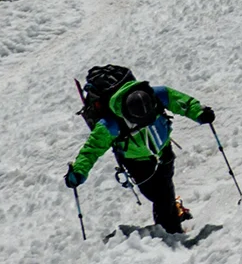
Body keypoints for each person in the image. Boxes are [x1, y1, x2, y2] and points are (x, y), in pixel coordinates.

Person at [65, 66, 216, 234]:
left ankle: (171, 230)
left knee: (163, 191)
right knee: (158, 194)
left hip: (162, 150)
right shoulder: (110, 124)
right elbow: (91, 149)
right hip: (136, 162)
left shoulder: (156, 95)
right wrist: (79, 171)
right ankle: (171, 222)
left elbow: (182, 102)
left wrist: (199, 112)